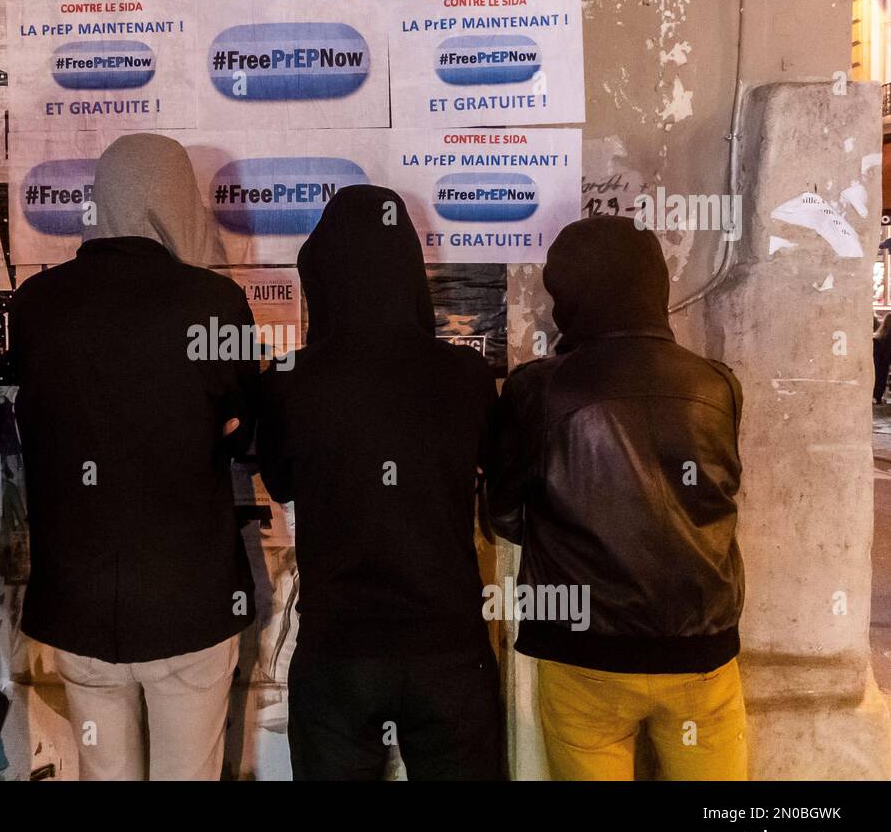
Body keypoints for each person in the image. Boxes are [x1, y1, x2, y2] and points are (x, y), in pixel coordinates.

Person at [8, 133, 257, 781]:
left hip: (79, 604)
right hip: (189, 603)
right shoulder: (213, 303)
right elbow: (243, 430)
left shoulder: (36, 304)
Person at [488, 215, 747, 781]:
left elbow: (504, 517)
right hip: (701, 652)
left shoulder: (537, 388)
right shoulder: (717, 384)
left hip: (585, 654)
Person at [257, 185, 501, 781]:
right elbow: (499, 480)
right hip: (448, 647)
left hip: (338, 649)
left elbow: (281, 481)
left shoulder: (291, 378)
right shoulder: (465, 376)